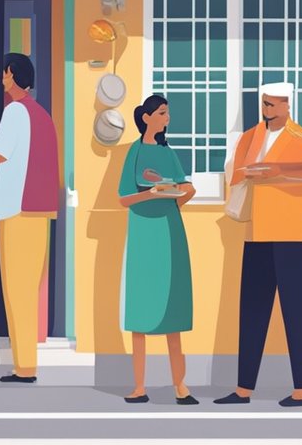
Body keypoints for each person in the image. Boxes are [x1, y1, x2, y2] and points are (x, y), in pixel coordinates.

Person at [215, 82, 302, 408]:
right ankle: (243, 388)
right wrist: (247, 169)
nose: (267, 110)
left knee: (297, 311)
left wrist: (276, 170)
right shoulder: (250, 137)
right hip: (258, 231)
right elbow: (234, 172)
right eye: (265, 104)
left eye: (274, 105)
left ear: (288, 105)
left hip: (294, 232)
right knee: (251, 310)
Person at [0, 53, 61, 383]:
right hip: (40, 212)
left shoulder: (14, 111)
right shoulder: (42, 115)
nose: (2, 80)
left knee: (18, 290)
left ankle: (24, 367)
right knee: (29, 289)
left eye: (5, 74)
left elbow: (0, 153)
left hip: (18, 211)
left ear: (13, 75)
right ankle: (25, 363)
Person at [117, 95, 197, 405]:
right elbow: (124, 198)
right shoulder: (134, 153)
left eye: (167, 113)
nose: (167, 119)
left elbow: (186, 187)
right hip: (143, 234)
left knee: (172, 310)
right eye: (162, 113)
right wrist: (151, 193)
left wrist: (179, 196)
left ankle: (181, 386)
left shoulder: (169, 153)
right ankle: (139, 387)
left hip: (170, 232)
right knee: (142, 311)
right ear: (148, 117)